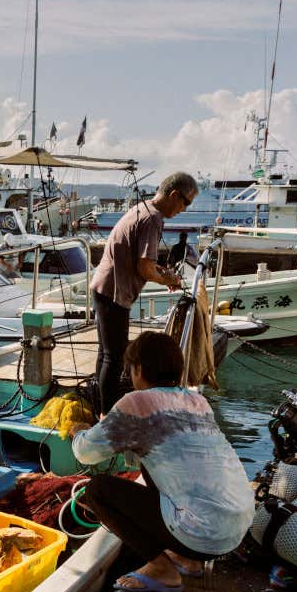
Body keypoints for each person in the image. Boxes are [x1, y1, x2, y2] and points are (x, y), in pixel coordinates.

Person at [69, 332, 253, 592]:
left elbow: (86, 453)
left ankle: (161, 568)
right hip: (236, 531)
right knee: (155, 466)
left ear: (139, 369)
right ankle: (190, 561)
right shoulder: (197, 400)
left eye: (130, 370)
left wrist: (78, 432)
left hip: (202, 534)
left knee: (97, 490)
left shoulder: (137, 402)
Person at [89, 172, 195, 414]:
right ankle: (106, 417)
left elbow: (143, 262)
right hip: (114, 291)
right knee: (114, 357)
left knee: (106, 354)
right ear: (174, 194)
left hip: (106, 286)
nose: (183, 209)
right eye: (185, 202)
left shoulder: (143, 208)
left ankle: (99, 410)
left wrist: (164, 275)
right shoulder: (153, 218)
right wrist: (164, 278)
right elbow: (144, 268)